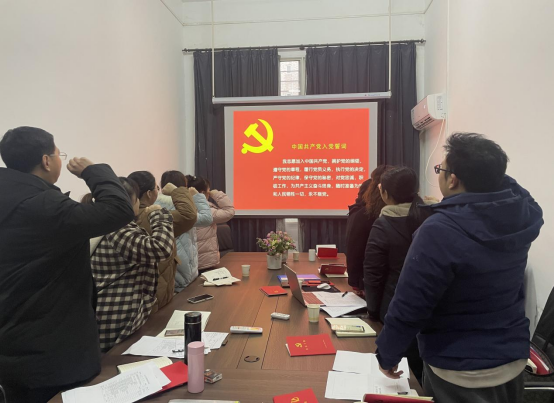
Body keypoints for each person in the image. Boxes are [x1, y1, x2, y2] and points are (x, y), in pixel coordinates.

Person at [376, 133, 544, 403]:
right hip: (511, 358)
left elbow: (411, 304)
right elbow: (517, 191)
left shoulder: (439, 230)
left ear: (453, 179)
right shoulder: (522, 215)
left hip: (458, 368)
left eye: (440, 169)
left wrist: (387, 353)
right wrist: (490, 173)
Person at [0, 127, 135, 402]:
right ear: (46, 161)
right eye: (57, 154)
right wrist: (93, 171)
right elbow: (119, 209)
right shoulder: (44, 205)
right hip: (50, 349)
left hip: (11, 341)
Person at [84, 178, 174, 352]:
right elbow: (161, 248)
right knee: (114, 361)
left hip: (113, 312)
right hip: (116, 316)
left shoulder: (104, 223)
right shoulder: (117, 229)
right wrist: (159, 215)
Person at [363, 166, 432, 381]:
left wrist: (373, 311)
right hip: (432, 307)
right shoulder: (433, 217)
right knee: (424, 371)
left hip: (395, 308)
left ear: (384, 193)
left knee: (401, 375)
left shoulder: (384, 224)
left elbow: (373, 274)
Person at [128, 171, 197, 311]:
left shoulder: (121, 217)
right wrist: (177, 191)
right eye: (156, 188)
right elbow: (189, 216)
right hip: (156, 290)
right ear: (149, 193)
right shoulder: (153, 216)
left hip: (135, 293)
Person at [155, 170, 213, 291]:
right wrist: (197, 196)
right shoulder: (181, 206)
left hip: (170, 263)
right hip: (182, 265)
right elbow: (207, 218)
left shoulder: (155, 204)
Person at [345, 165, 392, 295]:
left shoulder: (365, 214)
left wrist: (356, 283)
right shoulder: (366, 214)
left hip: (378, 285)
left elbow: (355, 251)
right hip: (381, 284)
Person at [189, 176, 235, 270]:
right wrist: (217, 194)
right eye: (208, 190)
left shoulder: (182, 209)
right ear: (203, 193)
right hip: (205, 263)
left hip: (188, 263)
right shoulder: (207, 211)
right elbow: (229, 211)